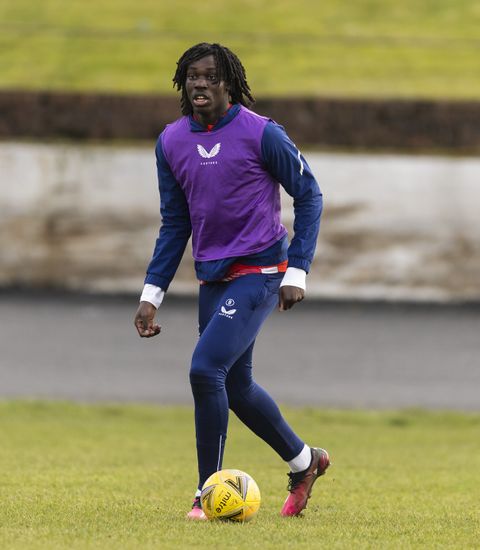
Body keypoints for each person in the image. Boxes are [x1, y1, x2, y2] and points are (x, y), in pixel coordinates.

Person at [134, 42, 330, 519]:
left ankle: (206, 493)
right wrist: (151, 293)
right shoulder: (171, 142)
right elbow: (174, 222)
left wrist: (297, 269)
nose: (200, 84)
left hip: (261, 272)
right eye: (192, 77)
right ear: (183, 83)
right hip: (212, 279)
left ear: (229, 84)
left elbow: (310, 195)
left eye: (210, 76)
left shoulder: (263, 134)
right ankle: (306, 462)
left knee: (205, 370)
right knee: (236, 386)